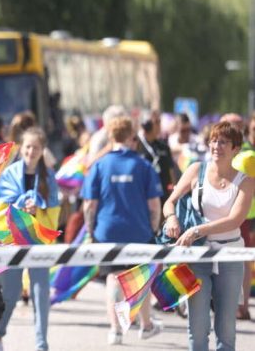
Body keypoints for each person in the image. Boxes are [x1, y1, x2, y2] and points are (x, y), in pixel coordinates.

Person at [163, 121, 254, 351]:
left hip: (229, 258)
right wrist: (171, 218)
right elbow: (170, 202)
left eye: (223, 142)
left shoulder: (246, 182)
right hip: (197, 257)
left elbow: (235, 220)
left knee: (226, 331)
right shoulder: (196, 170)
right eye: (213, 140)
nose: (216, 146)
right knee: (198, 328)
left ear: (236, 149)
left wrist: (197, 230)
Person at [81, 116, 163, 345]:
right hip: (139, 231)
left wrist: (90, 231)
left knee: (113, 278)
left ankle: (115, 330)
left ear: (111, 137)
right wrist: (153, 229)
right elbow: (154, 205)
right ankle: (145, 325)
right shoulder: (144, 166)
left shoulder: (99, 165)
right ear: (130, 137)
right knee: (141, 277)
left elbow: (89, 205)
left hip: (107, 232)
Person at [0, 127, 60, 351]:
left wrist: (39, 208)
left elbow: (55, 213)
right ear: (22, 148)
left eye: (36, 147)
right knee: (10, 295)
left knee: (41, 295)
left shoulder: (49, 177)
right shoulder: (10, 173)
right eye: (28, 147)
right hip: (14, 242)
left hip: (39, 244)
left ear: (42, 150)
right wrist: (20, 205)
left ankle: (42, 345)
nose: (31, 151)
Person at [221, 112, 253, 321]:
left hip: (246, 216)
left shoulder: (248, 154)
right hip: (223, 215)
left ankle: (241, 305)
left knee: (243, 260)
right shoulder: (220, 151)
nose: (236, 129)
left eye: (239, 125)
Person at [136, 110, 176, 207]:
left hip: (163, 195)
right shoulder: (137, 145)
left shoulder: (163, 146)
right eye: (156, 122)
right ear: (146, 125)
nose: (159, 125)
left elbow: (171, 172)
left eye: (159, 121)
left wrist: (173, 193)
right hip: (144, 195)